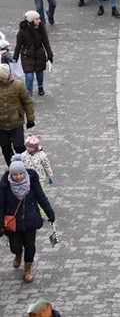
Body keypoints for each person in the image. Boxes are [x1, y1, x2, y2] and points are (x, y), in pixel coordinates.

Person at [0, 154, 56, 283]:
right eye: (15, 175)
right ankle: (18, 254)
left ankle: (27, 269)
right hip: (13, 223)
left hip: (31, 221)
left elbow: (41, 197)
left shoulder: (32, 182)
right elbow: (1, 206)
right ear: (11, 175)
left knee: (30, 246)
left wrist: (50, 213)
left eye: (21, 174)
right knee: (16, 246)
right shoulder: (4, 186)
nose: (18, 177)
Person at [0, 64, 35, 166]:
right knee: (5, 148)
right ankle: (13, 168)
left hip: (16, 122)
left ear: (5, 76)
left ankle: (26, 165)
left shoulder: (18, 85)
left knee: (19, 146)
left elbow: (27, 102)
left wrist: (30, 119)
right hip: (1, 125)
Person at [13, 11, 53, 98]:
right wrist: (15, 58)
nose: (39, 21)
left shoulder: (41, 30)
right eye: (37, 19)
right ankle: (29, 96)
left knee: (39, 73)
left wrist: (50, 55)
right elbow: (18, 45)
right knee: (29, 76)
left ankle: (40, 86)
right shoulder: (22, 32)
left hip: (39, 54)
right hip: (27, 56)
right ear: (31, 21)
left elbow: (46, 43)